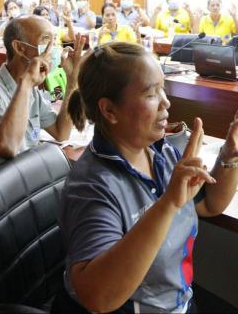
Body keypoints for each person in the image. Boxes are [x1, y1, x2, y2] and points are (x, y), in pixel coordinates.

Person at [53, 42, 238, 313]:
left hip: (178, 302)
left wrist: (231, 155)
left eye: (162, 88)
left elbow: (209, 204)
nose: (166, 102)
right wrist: (168, 203)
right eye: (151, 94)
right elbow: (98, 298)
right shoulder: (91, 186)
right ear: (109, 110)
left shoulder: (161, 152)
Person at [0, 15, 85, 179]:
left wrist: (72, 80)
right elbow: (8, 147)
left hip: (26, 178)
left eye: (55, 40)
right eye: (46, 39)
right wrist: (27, 83)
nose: (54, 48)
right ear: (20, 48)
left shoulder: (30, 89)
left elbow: (61, 132)